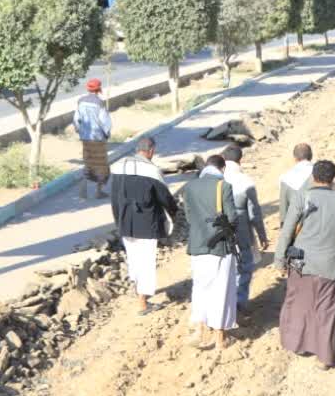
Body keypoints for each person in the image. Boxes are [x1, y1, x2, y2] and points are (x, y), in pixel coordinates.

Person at [274, 159, 335, 368]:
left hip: (300, 262)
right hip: (329, 265)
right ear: (333, 179)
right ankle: (324, 357)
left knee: (298, 303)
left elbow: (287, 231)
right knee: (325, 310)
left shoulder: (301, 197)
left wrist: (279, 260)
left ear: (313, 177)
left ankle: (297, 344)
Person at [110, 137, 178, 314]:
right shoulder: (151, 170)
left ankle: (138, 290)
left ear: (137, 149)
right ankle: (143, 304)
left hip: (125, 222)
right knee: (146, 262)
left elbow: (114, 200)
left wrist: (118, 221)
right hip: (147, 223)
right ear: (151, 150)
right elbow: (165, 198)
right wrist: (174, 213)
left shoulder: (118, 166)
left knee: (134, 259)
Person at [183, 154, 240, 349]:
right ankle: (220, 338)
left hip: (197, 245)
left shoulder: (189, 187)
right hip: (220, 246)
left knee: (200, 287)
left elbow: (189, 217)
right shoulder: (223, 186)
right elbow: (232, 218)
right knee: (222, 290)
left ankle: (200, 329)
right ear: (223, 169)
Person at [221, 145, 269, 314]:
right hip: (242, 232)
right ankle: (239, 303)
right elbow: (254, 213)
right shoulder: (246, 181)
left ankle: (223, 305)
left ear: (223, 159)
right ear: (240, 160)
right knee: (244, 267)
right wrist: (262, 236)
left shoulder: (216, 179)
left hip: (218, 233)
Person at [74, 78, 113, 200]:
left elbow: (76, 119)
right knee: (101, 166)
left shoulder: (80, 101)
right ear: (98, 89)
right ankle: (98, 192)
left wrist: (79, 130)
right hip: (98, 139)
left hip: (85, 138)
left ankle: (83, 193)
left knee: (88, 163)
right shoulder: (100, 103)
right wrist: (107, 133)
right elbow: (104, 121)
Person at [277, 143, 315, 224]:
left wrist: (283, 226)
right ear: (311, 156)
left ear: (295, 158)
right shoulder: (322, 174)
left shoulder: (285, 178)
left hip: (297, 225)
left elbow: (284, 208)